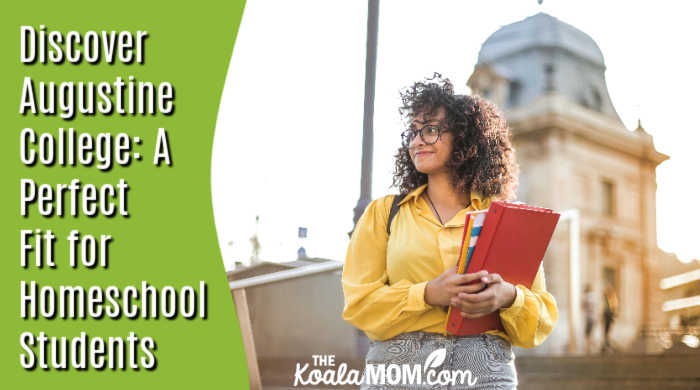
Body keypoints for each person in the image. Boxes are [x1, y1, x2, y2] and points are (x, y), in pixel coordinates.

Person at [342, 74, 558, 390]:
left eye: (430, 130)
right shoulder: (384, 213)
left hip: (484, 371)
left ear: (465, 139)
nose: (417, 140)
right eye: (413, 132)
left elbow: (539, 320)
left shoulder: (505, 220)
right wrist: (427, 294)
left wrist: (508, 296)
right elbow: (359, 304)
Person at [602, 285, 618, 354]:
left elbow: (614, 307)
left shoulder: (611, 298)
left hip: (609, 315)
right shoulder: (608, 298)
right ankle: (607, 343)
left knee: (607, 330)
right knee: (606, 330)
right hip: (607, 315)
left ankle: (608, 343)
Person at [582, 284, 596, 355]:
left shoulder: (587, 297)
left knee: (587, 333)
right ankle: (590, 347)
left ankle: (588, 348)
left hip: (588, 317)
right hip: (593, 317)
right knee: (590, 332)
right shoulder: (593, 296)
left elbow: (583, 306)